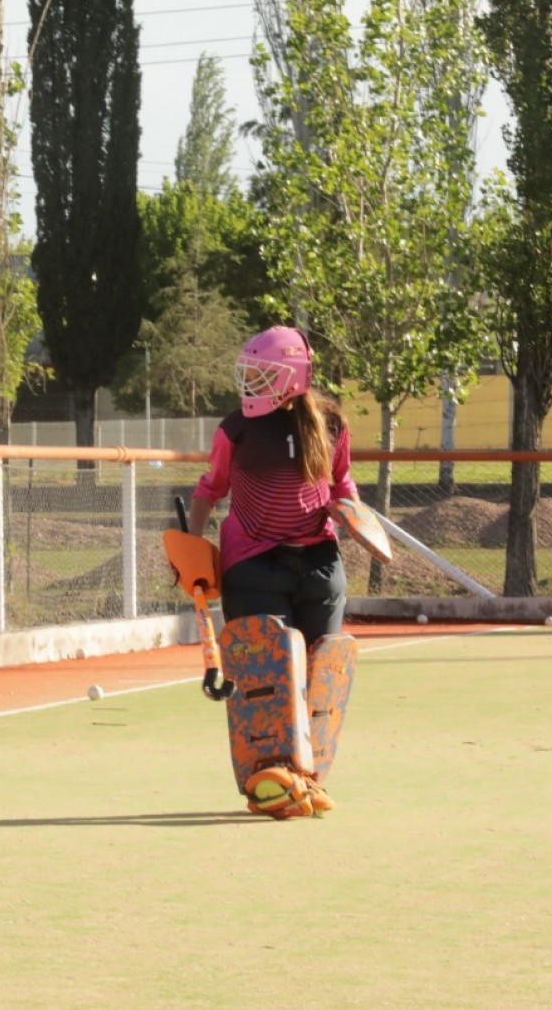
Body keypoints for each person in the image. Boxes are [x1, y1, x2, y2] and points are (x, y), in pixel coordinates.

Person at [183, 325, 359, 818]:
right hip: (253, 565)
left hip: (319, 567)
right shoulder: (235, 428)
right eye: (250, 373)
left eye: (263, 374)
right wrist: (193, 548)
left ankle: (304, 777)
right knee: (270, 677)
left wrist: (355, 520)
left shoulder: (331, 425)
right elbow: (210, 488)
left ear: (293, 377)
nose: (252, 383)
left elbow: (342, 486)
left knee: (318, 676)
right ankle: (269, 777)